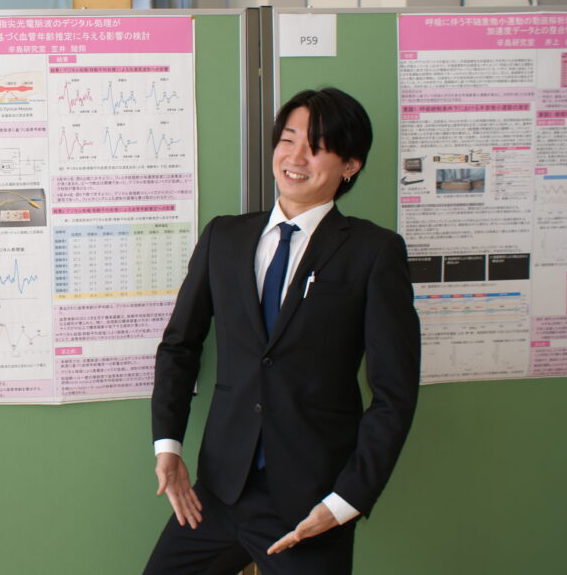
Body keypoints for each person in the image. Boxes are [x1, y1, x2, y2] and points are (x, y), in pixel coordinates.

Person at [145, 88, 421, 574]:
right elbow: (179, 347)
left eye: (316, 147)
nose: (295, 157)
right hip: (219, 492)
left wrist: (345, 502)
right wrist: (168, 446)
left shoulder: (374, 252)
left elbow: (394, 394)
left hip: (311, 502)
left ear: (350, 164)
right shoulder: (224, 237)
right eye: (288, 139)